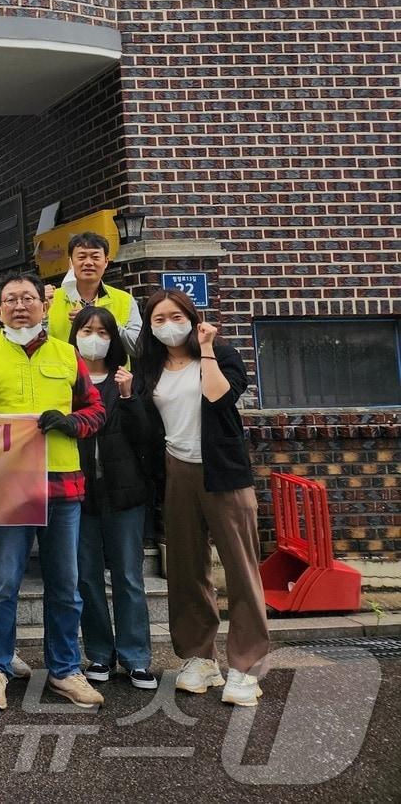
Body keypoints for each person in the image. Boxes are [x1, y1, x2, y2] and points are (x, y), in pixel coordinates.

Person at [0, 274, 107, 712]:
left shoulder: (67, 353)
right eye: (11, 300)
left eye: (29, 299)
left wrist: (73, 423)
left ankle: (65, 669)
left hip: (63, 484)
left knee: (65, 586)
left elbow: (95, 408)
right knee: (1, 584)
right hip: (9, 486)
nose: (20, 306)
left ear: (44, 306)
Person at [131, 289, 268, 706]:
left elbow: (219, 397)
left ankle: (245, 667)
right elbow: (146, 422)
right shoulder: (149, 366)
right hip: (178, 469)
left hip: (223, 472)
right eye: (158, 319)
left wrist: (206, 348)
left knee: (240, 568)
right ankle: (198, 657)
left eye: (175, 316)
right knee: (187, 568)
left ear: (192, 317)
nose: (167, 325)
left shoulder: (221, 353)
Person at [71, 305, 156, 690]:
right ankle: (100, 654)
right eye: (86, 330)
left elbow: (147, 439)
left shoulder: (128, 379)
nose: (94, 338)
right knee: (87, 578)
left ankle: (136, 657)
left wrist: (128, 397)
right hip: (80, 495)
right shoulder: (67, 379)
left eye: (102, 332)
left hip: (125, 495)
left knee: (128, 576)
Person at [47, 232, 143, 355]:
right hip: (64, 373)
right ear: (70, 262)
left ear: (106, 261)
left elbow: (138, 348)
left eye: (95, 257)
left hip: (113, 373)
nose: (88, 262)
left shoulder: (125, 300)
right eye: (81, 257)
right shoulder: (50, 299)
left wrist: (103, 322)